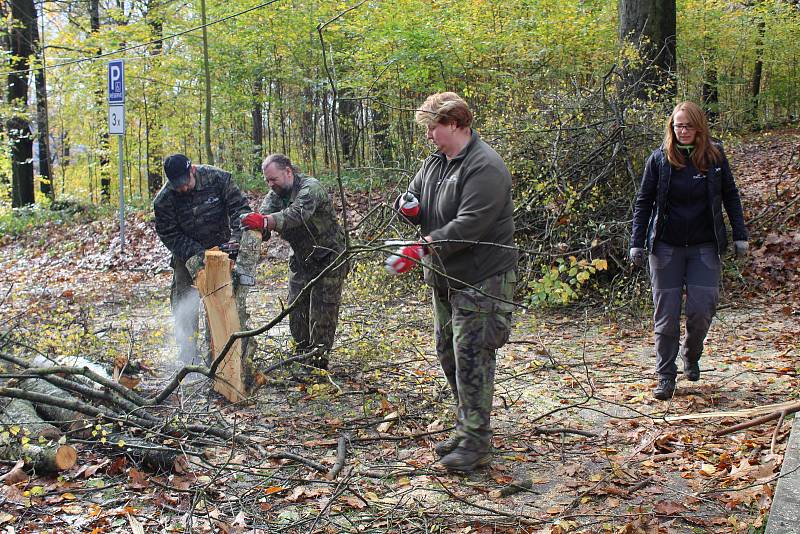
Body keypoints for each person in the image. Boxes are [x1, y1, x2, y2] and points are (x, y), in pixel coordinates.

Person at [386, 92, 518, 472]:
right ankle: (466, 429)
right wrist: (409, 206)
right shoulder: (435, 164)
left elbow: (470, 225)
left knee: (472, 354)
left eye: (433, 127)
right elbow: (415, 198)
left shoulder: (485, 166)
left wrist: (420, 248)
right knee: (448, 352)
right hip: (444, 278)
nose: (429, 135)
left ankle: (476, 443)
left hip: (483, 277)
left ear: (456, 124)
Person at [630, 101, 749, 401]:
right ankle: (665, 376)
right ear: (672, 127)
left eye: (688, 126)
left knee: (702, 309)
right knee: (666, 316)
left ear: (699, 128)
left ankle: (691, 354)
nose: (682, 131)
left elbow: (730, 196)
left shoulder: (715, 157)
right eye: (678, 126)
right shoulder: (659, 159)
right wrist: (637, 241)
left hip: (704, 246)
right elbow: (644, 202)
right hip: (665, 248)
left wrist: (740, 235)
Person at [240, 154, 347, 370]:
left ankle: (318, 364)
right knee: (296, 312)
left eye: (274, 179)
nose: (271, 184)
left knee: (321, 314)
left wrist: (266, 221)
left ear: (288, 171)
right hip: (301, 260)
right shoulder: (275, 194)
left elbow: (297, 214)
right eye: (267, 180)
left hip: (328, 258)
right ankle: (301, 357)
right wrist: (254, 229)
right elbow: (264, 220)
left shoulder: (311, 188)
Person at [154, 154, 252, 365]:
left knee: (220, 303)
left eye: (185, 183)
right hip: (186, 255)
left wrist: (236, 240)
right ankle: (189, 359)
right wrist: (197, 255)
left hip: (221, 248)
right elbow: (169, 234)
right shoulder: (164, 200)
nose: (183, 189)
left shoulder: (218, 179)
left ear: (193, 170)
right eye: (177, 185)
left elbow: (240, 210)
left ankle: (219, 357)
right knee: (184, 304)